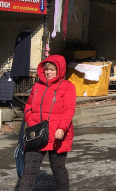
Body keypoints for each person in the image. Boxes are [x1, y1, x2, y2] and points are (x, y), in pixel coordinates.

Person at [20, 55, 76, 191]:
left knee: (58, 169)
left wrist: (62, 128)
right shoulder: (37, 86)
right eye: (46, 69)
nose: (48, 72)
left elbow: (69, 110)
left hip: (58, 135)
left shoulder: (68, 86)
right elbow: (28, 105)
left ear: (60, 70)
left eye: (52, 69)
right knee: (29, 170)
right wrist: (29, 118)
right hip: (37, 134)